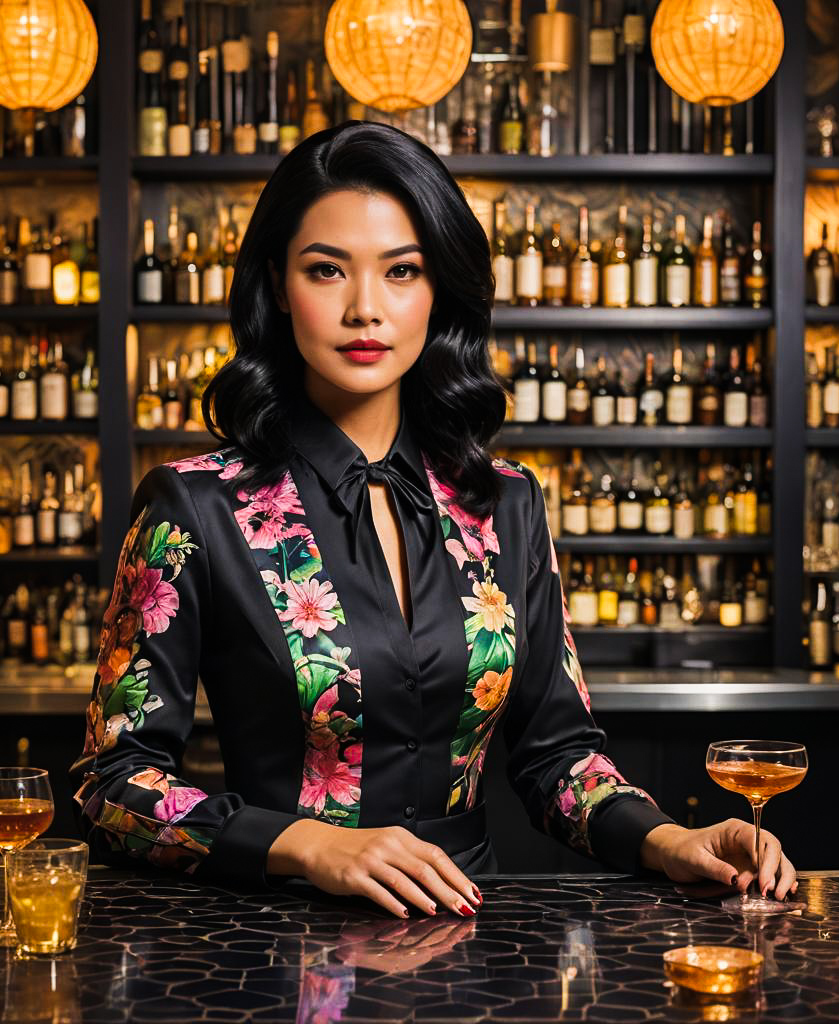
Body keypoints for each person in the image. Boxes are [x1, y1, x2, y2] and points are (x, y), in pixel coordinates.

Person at [68, 120, 796, 920]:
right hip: (282, 942)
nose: (364, 309)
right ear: (278, 285)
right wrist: (308, 844)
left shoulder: (505, 501)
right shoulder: (194, 503)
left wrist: (667, 839)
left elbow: (559, 757)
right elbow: (113, 787)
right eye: (325, 270)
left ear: (438, 287)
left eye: (402, 271)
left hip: (472, 939)